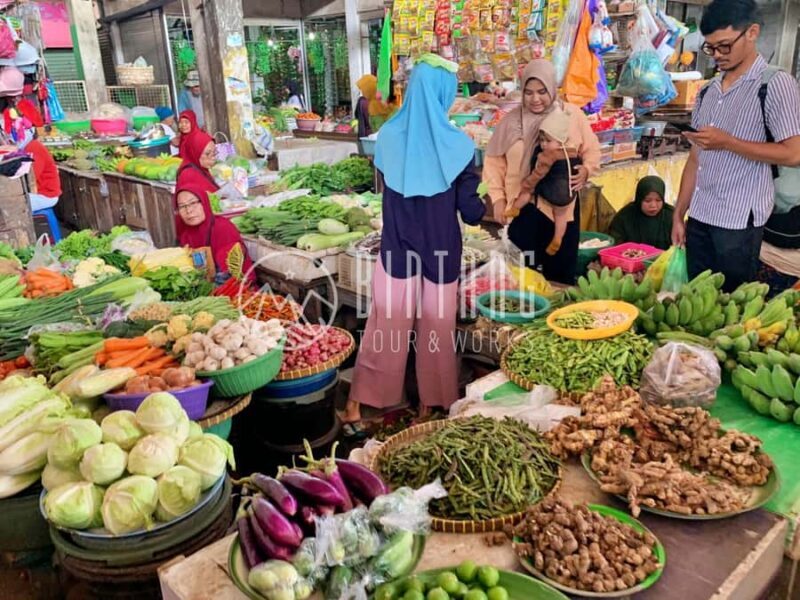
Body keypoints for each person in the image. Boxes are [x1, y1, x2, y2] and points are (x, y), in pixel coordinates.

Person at [344, 55, 485, 432]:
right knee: (436, 329)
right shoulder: (458, 145)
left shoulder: (388, 137)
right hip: (441, 254)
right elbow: (471, 213)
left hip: (396, 250)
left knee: (385, 327)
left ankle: (360, 403)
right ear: (442, 93)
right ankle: (430, 405)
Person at [671, 0, 800, 292]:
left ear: (752, 32)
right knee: (696, 304)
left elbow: (793, 153)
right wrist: (680, 213)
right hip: (700, 216)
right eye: (710, 48)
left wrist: (728, 142)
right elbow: (696, 158)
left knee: (730, 309)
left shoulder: (775, 84)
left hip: (739, 221)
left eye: (724, 46)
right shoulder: (707, 91)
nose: (717, 55)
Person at [483, 59, 600, 285]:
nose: (535, 99)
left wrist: (586, 170)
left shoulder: (572, 116)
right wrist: (497, 200)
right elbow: (493, 164)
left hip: (561, 211)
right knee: (523, 281)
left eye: (542, 91)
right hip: (521, 212)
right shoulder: (510, 122)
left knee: (559, 278)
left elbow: (592, 150)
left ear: (552, 88)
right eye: (528, 92)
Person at [174, 129, 254, 282]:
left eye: (214, 153)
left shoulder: (221, 229)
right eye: (183, 207)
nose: (189, 211)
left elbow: (233, 275)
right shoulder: (189, 174)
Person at [505, 109, 582, 256]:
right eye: (541, 140)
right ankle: (557, 239)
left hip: (551, 191)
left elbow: (538, 174)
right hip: (567, 195)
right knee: (561, 217)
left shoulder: (548, 156)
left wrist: (527, 184)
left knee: (527, 192)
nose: (543, 144)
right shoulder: (573, 152)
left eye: (548, 140)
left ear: (561, 140)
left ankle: (514, 208)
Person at [608, 176, 674, 250]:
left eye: (658, 200)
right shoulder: (625, 217)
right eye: (647, 201)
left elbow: (679, 246)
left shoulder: (671, 216)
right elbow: (614, 244)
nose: (653, 205)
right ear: (639, 199)